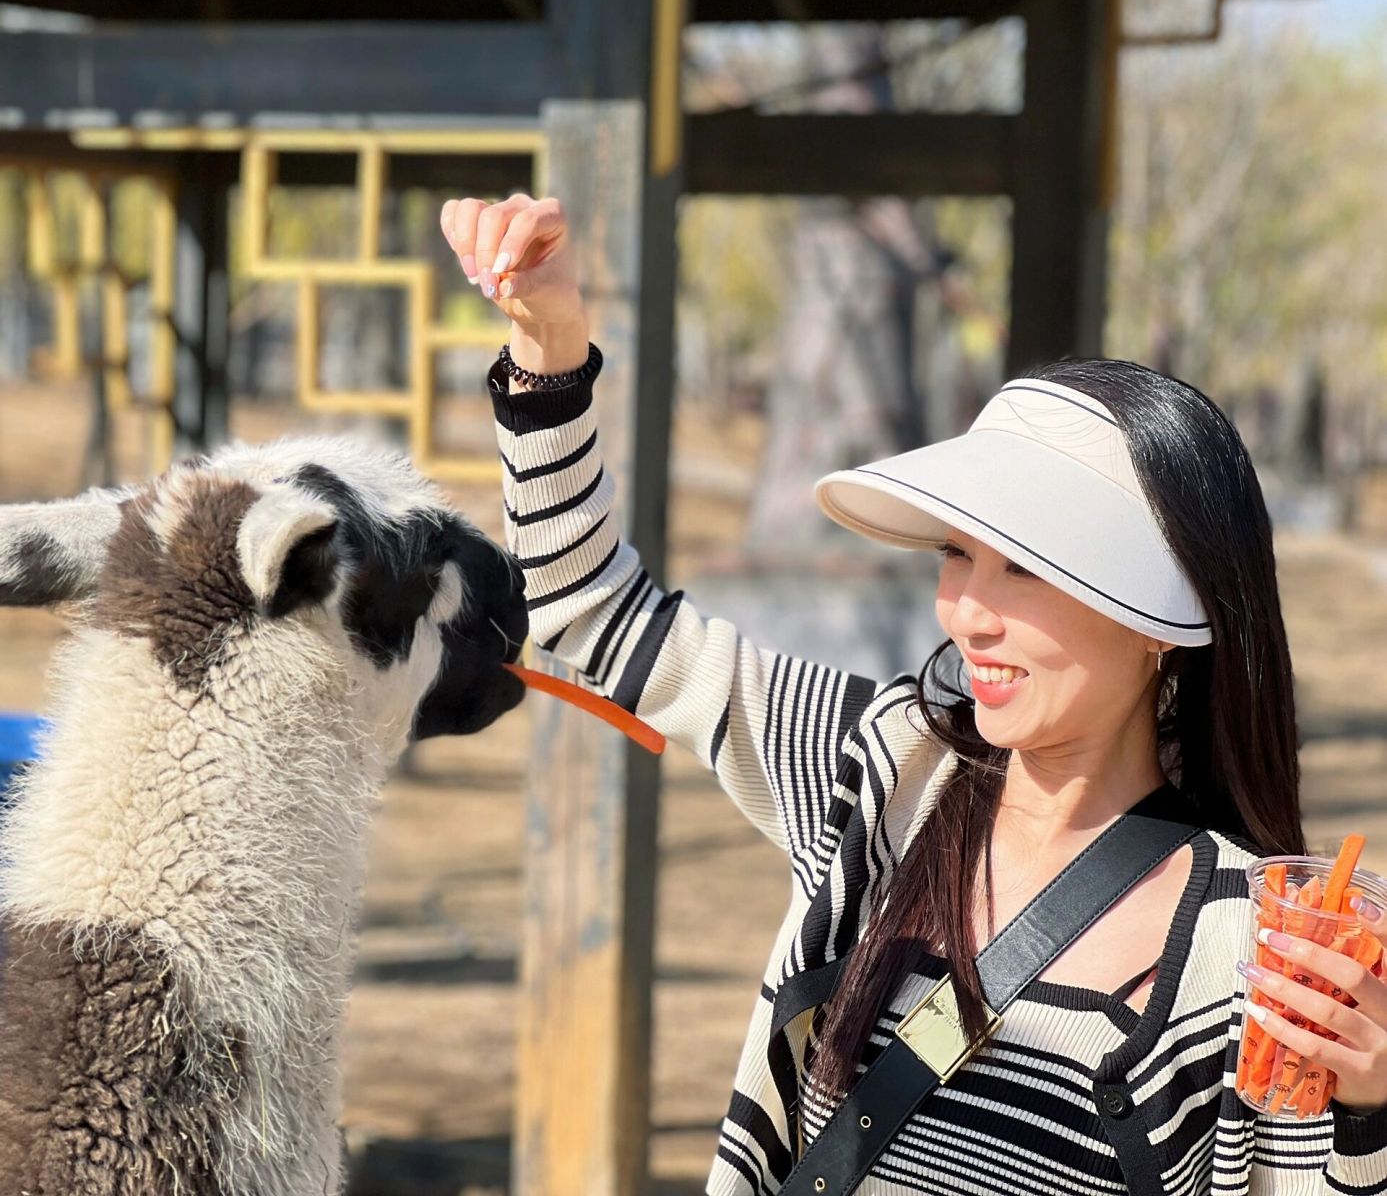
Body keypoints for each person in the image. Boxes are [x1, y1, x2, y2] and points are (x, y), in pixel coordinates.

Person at [440, 193, 1387, 1195]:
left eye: (1025, 569)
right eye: (954, 555)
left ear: (1156, 620)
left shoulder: (1258, 947)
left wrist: (1367, 1108)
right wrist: (548, 347)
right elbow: (597, 617)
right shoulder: (886, 774)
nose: (966, 613)